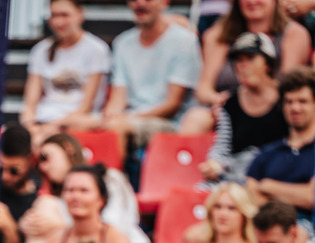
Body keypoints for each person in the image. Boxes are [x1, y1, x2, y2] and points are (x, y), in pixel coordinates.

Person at [180, 0, 311, 134]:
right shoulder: (219, 33)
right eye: (238, 59)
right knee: (195, 118)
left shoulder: (294, 33)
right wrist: (222, 101)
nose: (252, 1)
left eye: (250, 58)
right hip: (224, 106)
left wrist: (249, 99)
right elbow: (203, 89)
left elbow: (288, 86)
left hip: (271, 105)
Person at [100, 0, 202, 153]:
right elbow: (118, 96)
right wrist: (111, 115)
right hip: (130, 118)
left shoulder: (184, 40)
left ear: (165, 3)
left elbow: (172, 105)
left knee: (115, 127)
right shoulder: (122, 42)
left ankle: (111, 177)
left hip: (170, 122)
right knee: (76, 124)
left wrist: (127, 119)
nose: (140, 3)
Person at [19, 0, 111, 149]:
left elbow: (86, 106)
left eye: (64, 15)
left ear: (80, 14)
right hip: (44, 119)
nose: (58, 22)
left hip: (77, 121)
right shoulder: (41, 50)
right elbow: (30, 103)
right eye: (54, 15)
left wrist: (52, 127)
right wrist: (30, 126)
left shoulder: (96, 49)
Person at [32, 163, 139, 243]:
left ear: (101, 200)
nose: (75, 196)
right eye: (70, 190)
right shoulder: (54, 241)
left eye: (84, 191)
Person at [199, 33, 288, 182]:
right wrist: (214, 164)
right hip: (236, 179)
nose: (242, 65)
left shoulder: (288, 100)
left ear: (267, 64)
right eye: (238, 60)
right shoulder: (230, 103)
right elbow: (222, 148)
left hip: (275, 179)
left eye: (250, 58)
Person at [245, 64, 315, 217]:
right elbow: (249, 199)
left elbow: (311, 198)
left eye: (303, 101)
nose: (295, 108)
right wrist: (296, 195)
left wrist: (268, 187)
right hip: (266, 229)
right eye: (289, 102)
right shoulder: (267, 153)